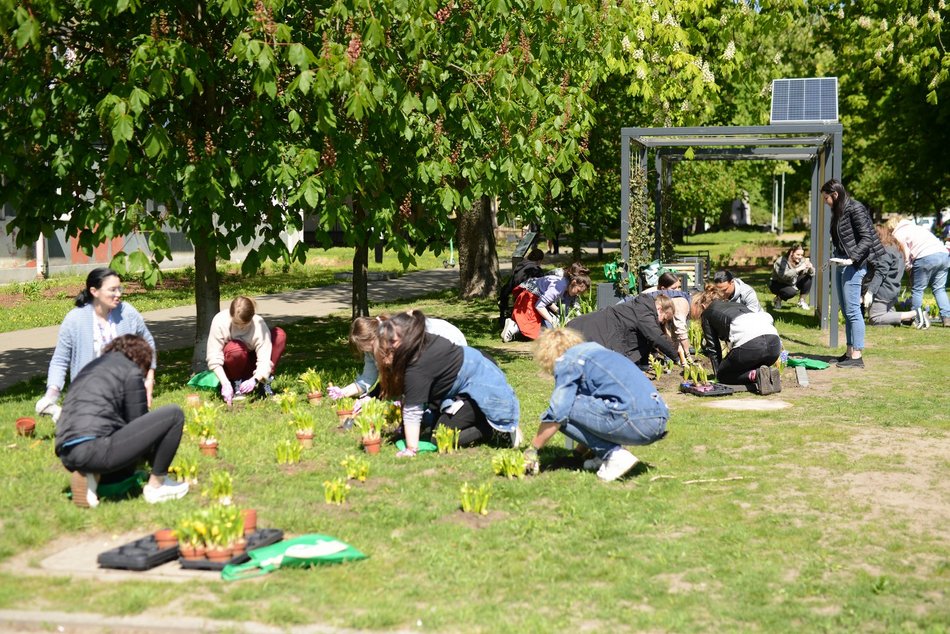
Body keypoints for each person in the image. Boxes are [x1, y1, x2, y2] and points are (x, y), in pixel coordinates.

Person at [54, 335, 188, 508]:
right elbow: (139, 425)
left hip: (67, 450)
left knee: (122, 461)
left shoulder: (90, 369)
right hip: (95, 447)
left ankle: (91, 477)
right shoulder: (130, 370)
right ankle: (157, 486)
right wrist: (159, 458)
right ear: (141, 359)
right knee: (174, 415)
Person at [522, 328, 669, 482]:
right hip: (658, 420)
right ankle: (603, 456)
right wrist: (578, 455)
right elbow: (590, 415)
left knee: (564, 408)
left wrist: (531, 451)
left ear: (547, 353)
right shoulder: (598, 353)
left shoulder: (568, 360)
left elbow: (558, 413)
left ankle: (614, 456)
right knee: (577, 404)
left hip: (635, 420)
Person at [375, 310, 520, 456]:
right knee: (434, 429)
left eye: (392, 342)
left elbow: (413, 410)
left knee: (440, 439)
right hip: (464, 386)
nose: (388, 347)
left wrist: (411, 449)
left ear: (408, 336)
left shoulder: (418, 365)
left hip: (482, 388)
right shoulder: (420, 342)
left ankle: (493, 430)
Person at [36, 267, 157, 423]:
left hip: (127, 391)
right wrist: (51, 395)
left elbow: (148, 341)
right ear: (94, 291)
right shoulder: (75, 320)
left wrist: (149, 378)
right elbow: (60, 360)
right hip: (88, 394)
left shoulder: (127, 313)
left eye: (120, 288)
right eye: (112, 290)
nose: (118, 294)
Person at [821, 178, 886, 367]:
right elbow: (841, 240)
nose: (825, 202)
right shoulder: (839, 211)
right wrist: (836, 258)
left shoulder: (856, 208)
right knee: (846, 310)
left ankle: (857, 356)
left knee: (853, 311)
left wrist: (852, 259)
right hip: (843, 263)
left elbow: (867, 237)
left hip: (856, 265)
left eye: (826, 198)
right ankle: (849, 352)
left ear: (835, 194)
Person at [328, 314, 467, 400]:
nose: (368, 352)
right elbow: (367, 379)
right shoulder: (372, 349)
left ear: (375, 337)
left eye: (368, 348)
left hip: (449, 342)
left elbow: (415, 370)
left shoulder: (397, 337)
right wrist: (343, 392)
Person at [691, 286, 783, 395]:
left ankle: (755, 375)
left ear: (702, 306)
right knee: (747, 363)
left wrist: (718, 374)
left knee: (725, 375)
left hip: (751, 346)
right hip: (774, 345)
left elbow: (713, 348)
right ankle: (766, 373)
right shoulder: (737, 304)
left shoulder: (707, 313)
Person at [206, 296, 287, 405]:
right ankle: (236, 384)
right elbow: (213, 356)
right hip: (233, 364)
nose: (240, 327)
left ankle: (265, 382)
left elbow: (264, 359)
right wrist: (225, 383)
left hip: (253, 366)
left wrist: (255, 379)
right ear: (230, 315)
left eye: (243, 324)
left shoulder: (259, 324)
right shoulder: (220, 321)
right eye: (236, 323)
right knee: (235, 348)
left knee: (279, 335)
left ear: (252, 317)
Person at [566, 293, 680, 368]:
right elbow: (656, 337)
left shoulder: (643, 307)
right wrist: (676, 357)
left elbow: (644, 339)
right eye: (664, 318)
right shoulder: (645, 313)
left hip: (585, 326)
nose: (662, 323)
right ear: (659, 309)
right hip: (587, 331)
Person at [887, 215, 950, 328]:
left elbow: (905, 254)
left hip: (925, 256)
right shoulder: (917, 227)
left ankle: (915, 317)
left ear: (891, 227)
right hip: (944, 254)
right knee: (939, 288)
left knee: (917, 289)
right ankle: (947, 318)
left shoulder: (898, 233)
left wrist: (908, 269)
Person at [503, 262, 591, 341]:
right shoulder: (560, 286)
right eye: (578, 291)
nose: (578, 294)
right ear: (574, 282)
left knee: (546, 330)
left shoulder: (566, 285)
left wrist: (558, 312)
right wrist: (553, 321)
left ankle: (519, 326)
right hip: (528, 300)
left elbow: (548, 301)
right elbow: (540, 305)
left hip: (535, 299)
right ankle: (514, 326)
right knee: (538, 332)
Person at [865, 225, 917, 326]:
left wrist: (870, 292)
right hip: (892, 290)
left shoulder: (885, 250)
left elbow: (880, 272)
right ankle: (908, 318)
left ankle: (914, 313)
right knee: (888, 317)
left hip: (882, 292)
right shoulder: (896, 248)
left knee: (875, 318)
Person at [640, 272, 693, 365]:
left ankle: (667, 358)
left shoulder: (669, 297)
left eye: (679, 287)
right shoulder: (650, 296)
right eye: (673, 288)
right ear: (663, 289)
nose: (677, 291)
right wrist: (688, 355)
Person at [499, 247, 545, 329]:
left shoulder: (519, 266)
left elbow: (510, 283)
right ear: (539, 260)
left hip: (515, 295)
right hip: (527, 300)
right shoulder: (536, 270)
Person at [769, 244, 815, 310]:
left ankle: (801, 301)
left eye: (801, 255)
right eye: (798, 255)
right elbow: (784, 276)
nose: (800, 257)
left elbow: (812, 273)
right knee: (791, 292)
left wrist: (810, 267)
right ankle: (778, 299)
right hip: (778, 283)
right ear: (791, 253)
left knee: (808, 278)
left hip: (792, 281)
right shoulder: (781, 261)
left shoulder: (801, 260)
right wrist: (799, 269)